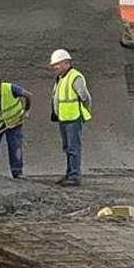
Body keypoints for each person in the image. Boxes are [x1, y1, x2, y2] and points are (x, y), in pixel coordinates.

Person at [49, 49, 91, 186]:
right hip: (63, 118)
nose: (54, 67)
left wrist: (85, 110)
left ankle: (74, 176)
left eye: (57, 64)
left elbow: (84, 97)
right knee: (68, 147)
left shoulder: (75, 77)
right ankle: (69, 173)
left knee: (73, 148)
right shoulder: (61, 78)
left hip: (73, 118)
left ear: (66, 63)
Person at [0, 74, 32, 178]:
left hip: (15, 122)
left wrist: (27, 110)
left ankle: (17, 172)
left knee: (15, 145)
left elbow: (27, 95)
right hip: (0, 124)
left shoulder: (11, 88)